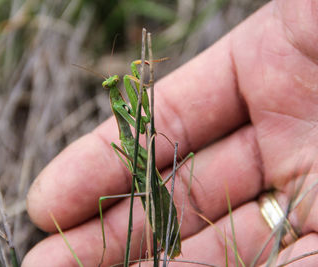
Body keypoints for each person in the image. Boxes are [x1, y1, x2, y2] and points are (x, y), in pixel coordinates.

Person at [22, 0, 318, 266]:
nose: (114, 83)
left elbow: (146, 119)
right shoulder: (121, 123)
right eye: (112, 85)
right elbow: (143, 122)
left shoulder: (125, 111)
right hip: (141, 173)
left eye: (115, 83)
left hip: (144, 167)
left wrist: (137, 80)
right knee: (108, 201)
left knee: (161, 186)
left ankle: (171, 239)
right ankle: (127, 245)